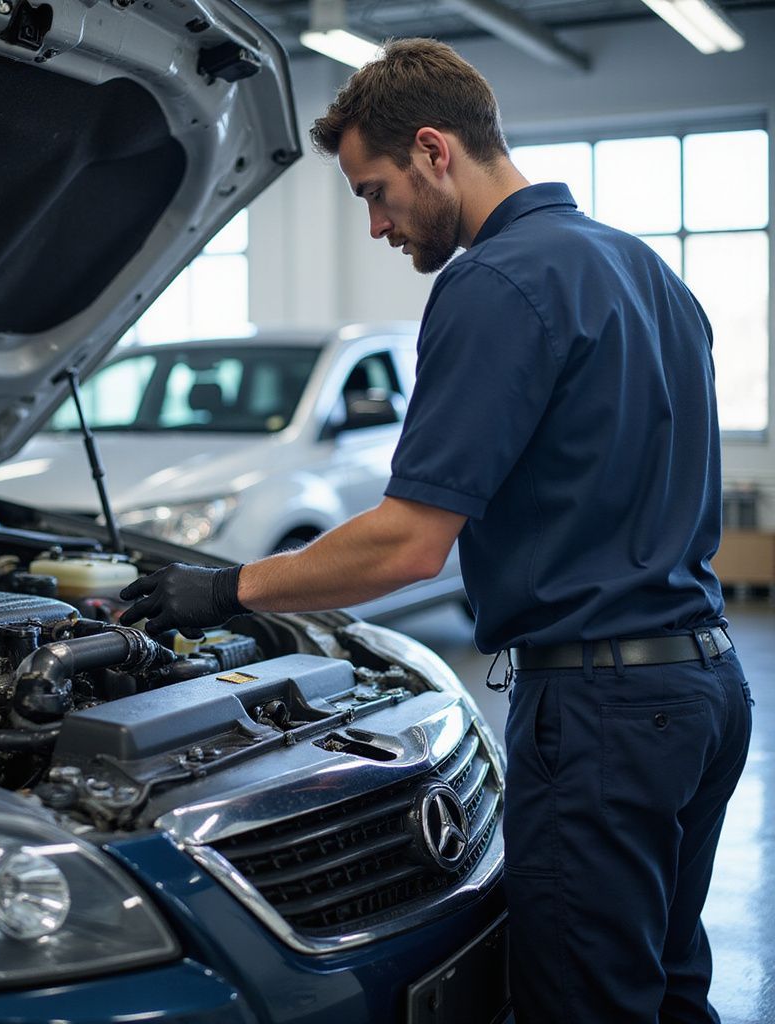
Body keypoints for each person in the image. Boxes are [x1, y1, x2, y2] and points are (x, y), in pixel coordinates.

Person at [120, 38, 752, 1024]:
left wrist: (227, 588)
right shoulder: (643, 269)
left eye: (375, 191)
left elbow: (408, 543)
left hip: (600, 710)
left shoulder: (495, 282)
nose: (374, 225)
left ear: (432, 149)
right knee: (665, 987)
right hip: (702, 687)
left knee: (581, 1004)